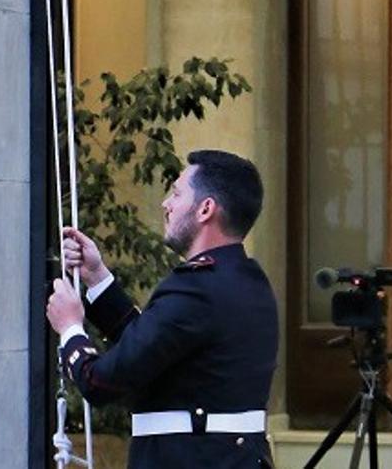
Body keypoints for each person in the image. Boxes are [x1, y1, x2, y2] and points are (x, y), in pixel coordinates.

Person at [46, 149, 278, 468]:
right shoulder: (248, 282)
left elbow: (99, 383)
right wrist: (98, 279)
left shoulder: (196, 288)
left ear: (205, 209)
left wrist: (70, 328)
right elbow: (151, 348)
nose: (166, 204)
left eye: (176, 193)